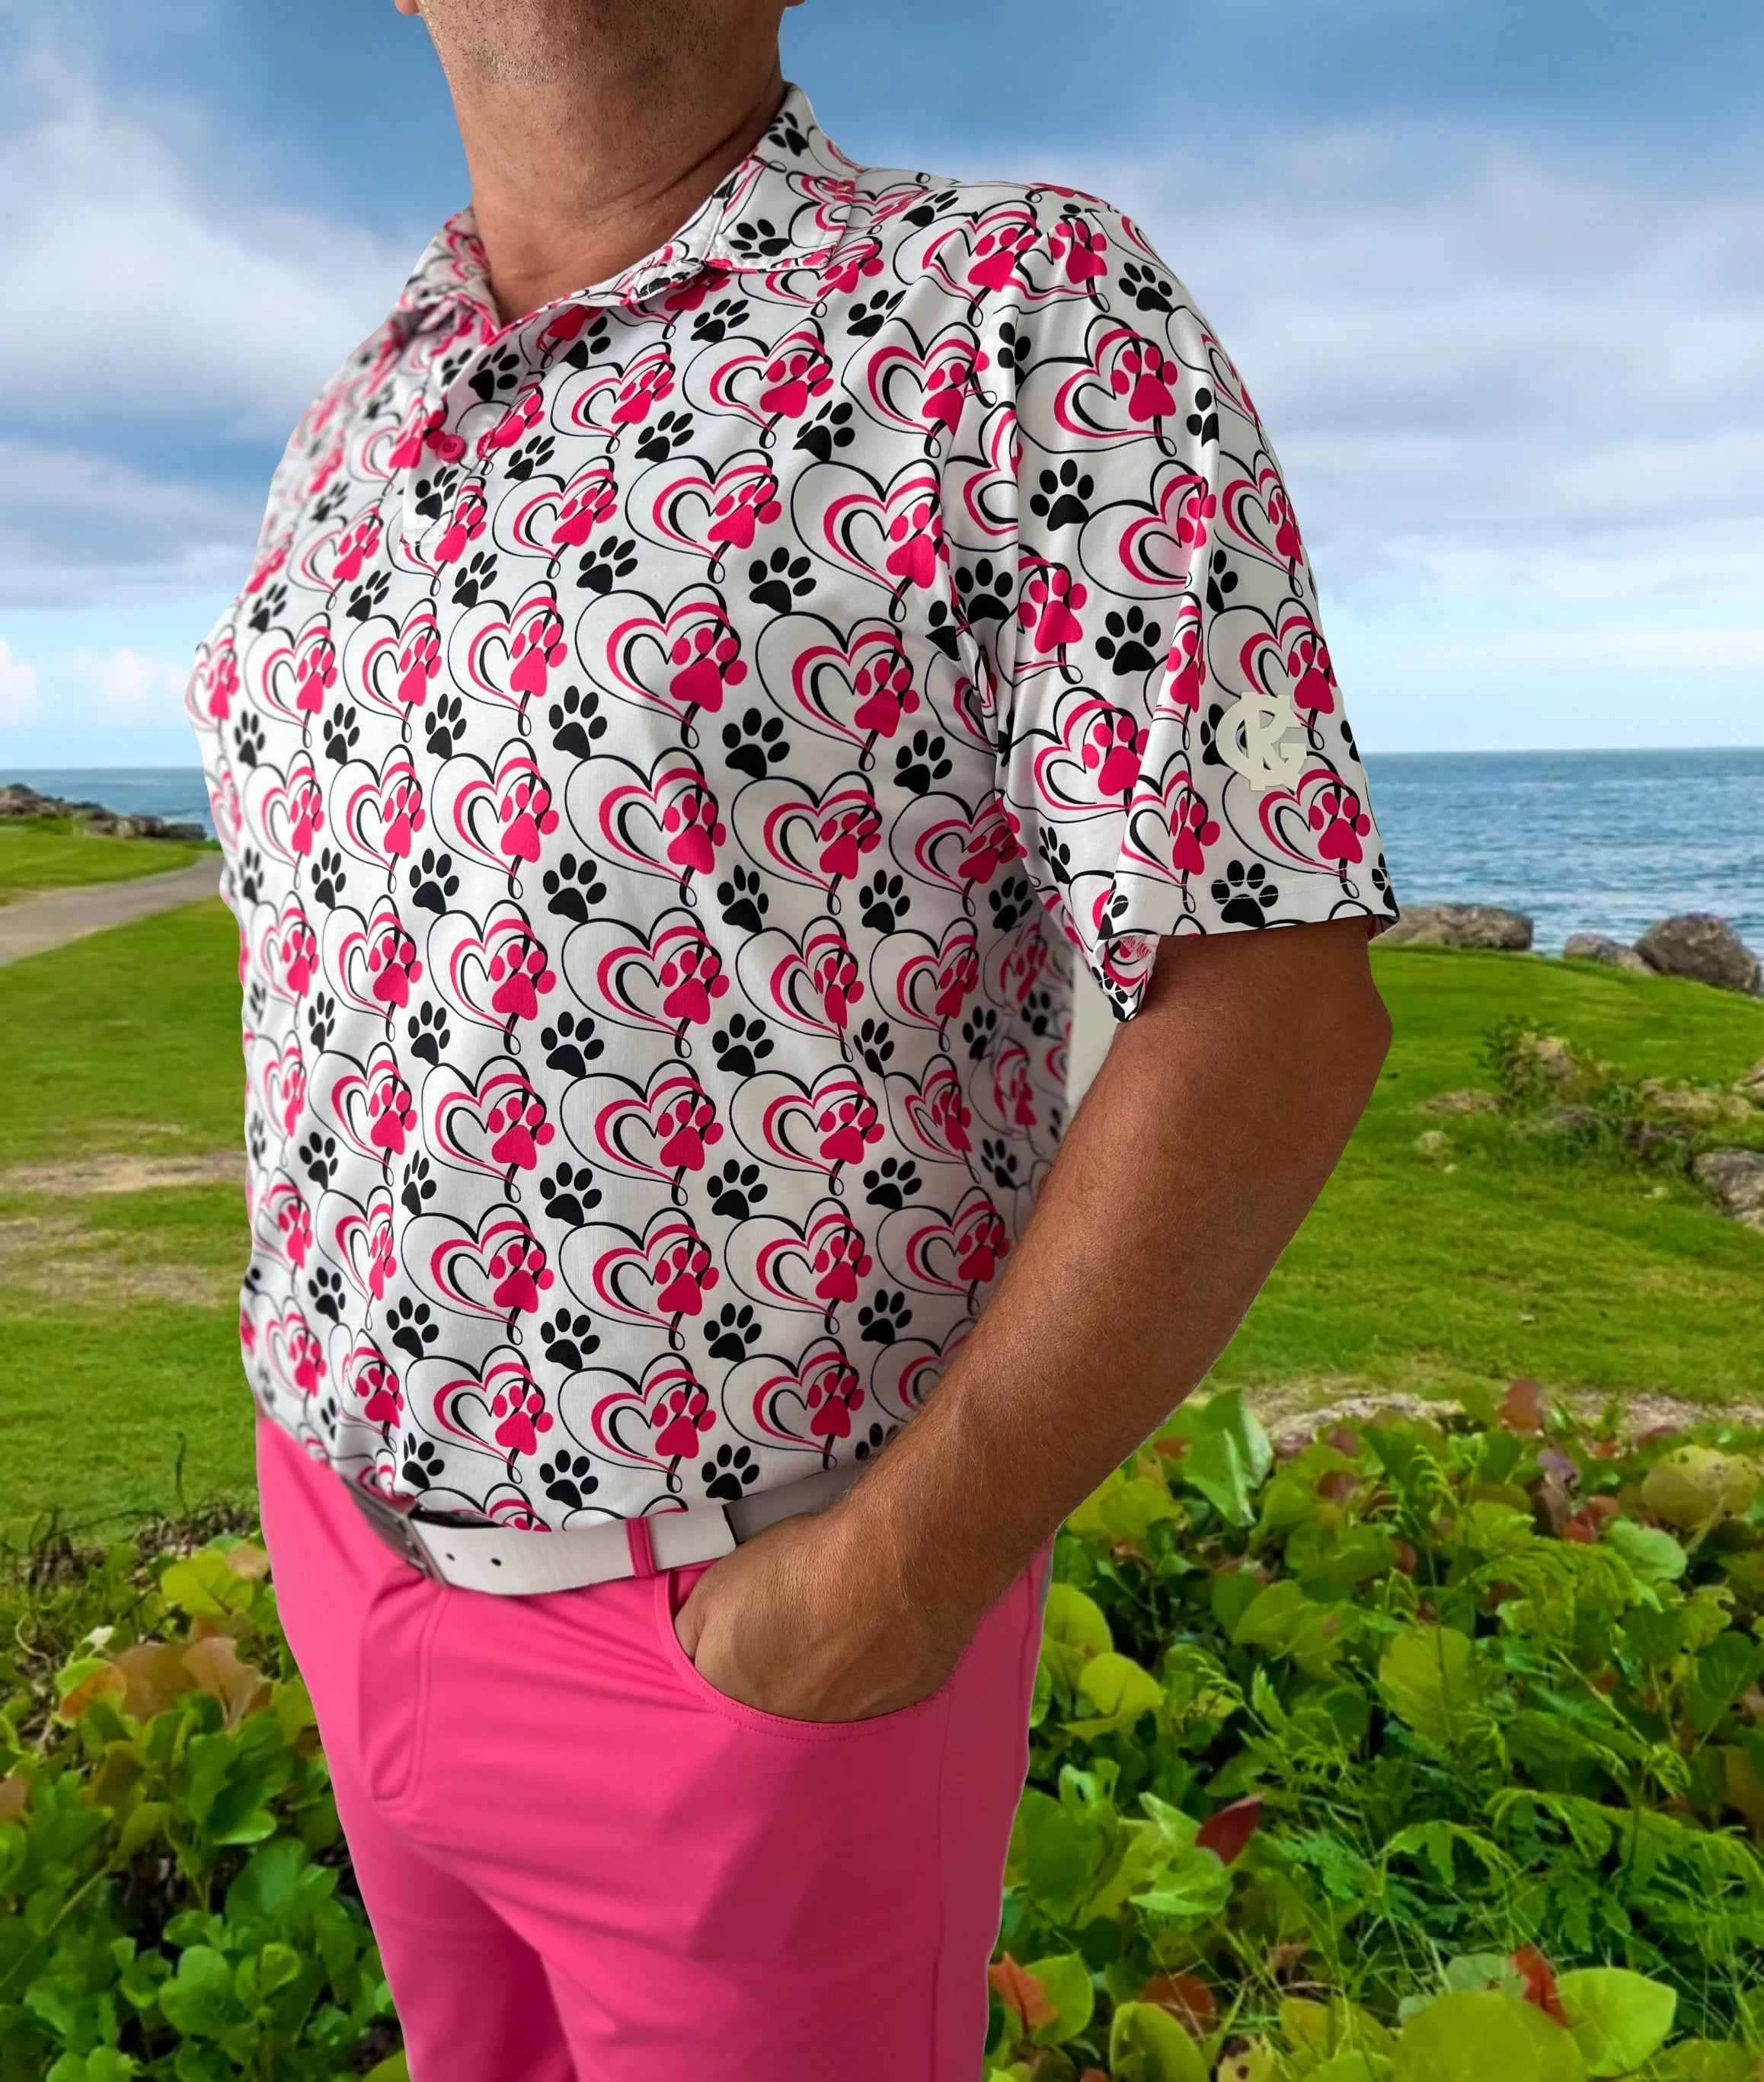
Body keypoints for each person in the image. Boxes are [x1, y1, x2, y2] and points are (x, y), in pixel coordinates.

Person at [186, 2, 1398, 2074]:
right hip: (351, 1556)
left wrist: (878, 1595)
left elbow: (1268, 1000)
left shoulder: (1007, 309)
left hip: (742, 1642)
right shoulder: (368, 394)